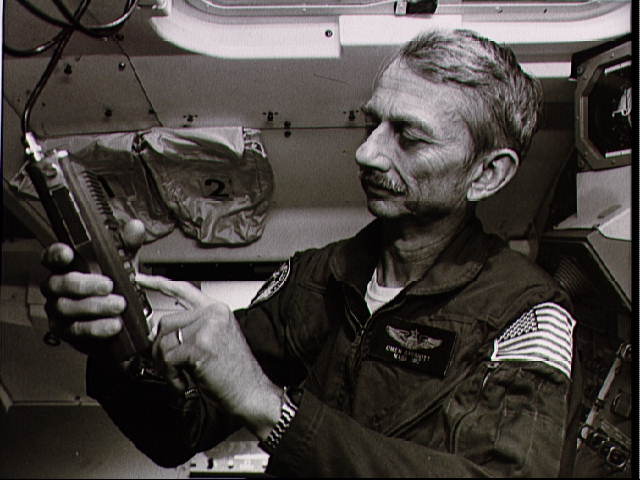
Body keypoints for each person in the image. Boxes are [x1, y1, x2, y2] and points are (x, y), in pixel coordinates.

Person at [41, 29, 581, 477]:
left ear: (487, 174)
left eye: (409, 137)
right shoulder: (316, 276)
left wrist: (272, 410)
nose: (367, 152)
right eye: (373, 124)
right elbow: (176, 434)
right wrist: (115, 341)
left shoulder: (526, 311)